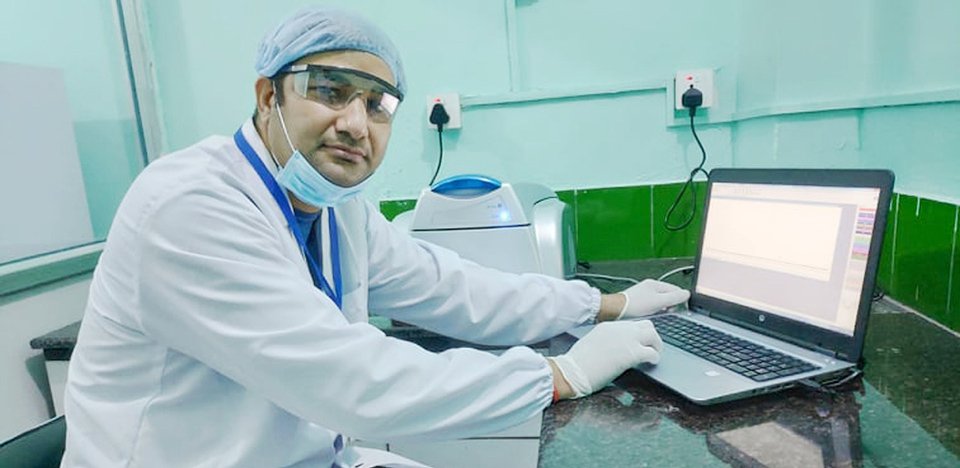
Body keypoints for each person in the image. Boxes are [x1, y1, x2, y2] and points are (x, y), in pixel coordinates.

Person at [60, 6, 689, 467]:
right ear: (267, 96)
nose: (355, 124)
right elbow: (353, 381)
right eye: (330, 91)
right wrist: (561, 373)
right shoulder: (190, 207)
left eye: (377, 104)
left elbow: (454, 288)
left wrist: (603, 303)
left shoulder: (336, 212)